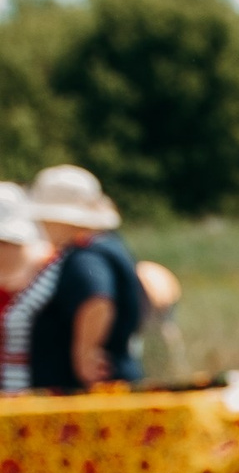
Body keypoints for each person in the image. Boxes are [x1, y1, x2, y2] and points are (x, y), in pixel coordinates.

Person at [14, 163, 147, 391]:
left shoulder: (85, 255)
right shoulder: (106, 245)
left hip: (82, 390)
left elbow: (96, 297)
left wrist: (85, 353)